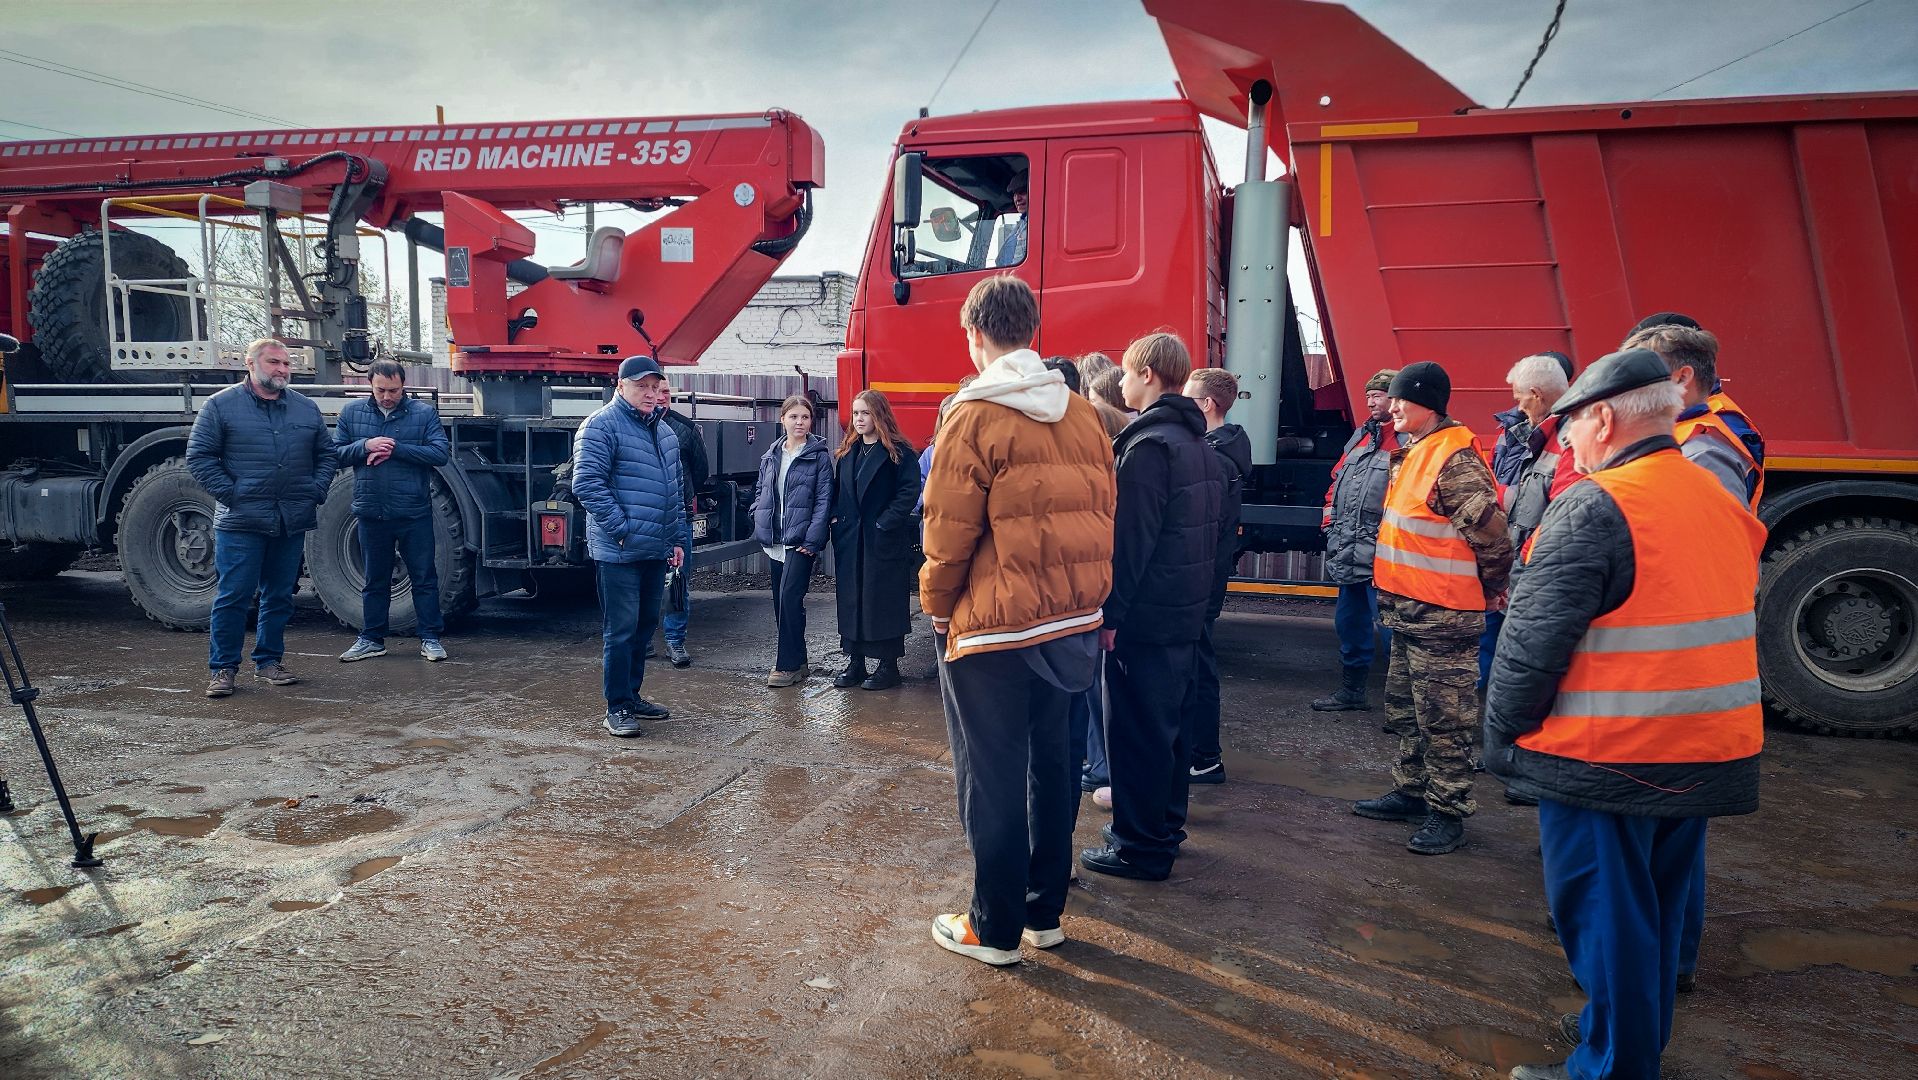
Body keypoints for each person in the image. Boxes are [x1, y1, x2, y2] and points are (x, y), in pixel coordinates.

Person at [1490, 348, 1766, 1080]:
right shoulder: (1715, 495)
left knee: (1608, 924)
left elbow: (1529, 645)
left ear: (1604, 418)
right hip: (1703, 745)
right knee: (1655, 916)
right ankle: (1627, 1042)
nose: (1567, 439)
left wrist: (1502, 739)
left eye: (1572, 423)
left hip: (1609, 754)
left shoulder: (1597, 503)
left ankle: (1612, 1067)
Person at [921, 273, 1115, 965]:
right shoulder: (1083, 413)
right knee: (1054, 770)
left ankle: (992, 928)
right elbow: (1103, 516)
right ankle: (1043, 913)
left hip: (996, 628)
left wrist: (938, 609)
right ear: (1030, 330)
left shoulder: (971, 414)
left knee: (991, 774)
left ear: (974, 334)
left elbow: (947, 532)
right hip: (1070, 620)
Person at [1352, 361, 1511, 856]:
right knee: (1406, 709)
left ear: (1431, 404)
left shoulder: (1453, 459)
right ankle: (1412, 791)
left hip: (1444, 615)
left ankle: (1448, 811)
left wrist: (1492, 588)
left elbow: (1492, 535)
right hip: (1410, 610)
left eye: (1403, 399)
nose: (1392, 406)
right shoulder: (1419, 450)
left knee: (1446, 718)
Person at [1080, 332, 1223, 882]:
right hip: (1183, 616)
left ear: (1146, 375)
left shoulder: (1147, 449)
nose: (1119, 381)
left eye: (1125, 371)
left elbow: (1130, 544)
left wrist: (1110, 617)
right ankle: (1165, 828)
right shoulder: (1195, 444)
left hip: (1144, 621)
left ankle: (1139, 846)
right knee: (1171, 729)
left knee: (1137, 733)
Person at [187, 337, 336, 698]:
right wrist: (234, 495)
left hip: (290, 519)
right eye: (274, 363)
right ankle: (222, 669)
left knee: (281, 595)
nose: (283, 370)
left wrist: (314, 491)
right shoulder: (220, 406)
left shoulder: (305, 408)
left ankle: (269, 662)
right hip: (242, 521)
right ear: (250, 365)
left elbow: (326, 455)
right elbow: (199, 457)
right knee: (234, 596)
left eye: (286, 364)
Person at [572, 355, 689, 738]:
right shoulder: (600, 426)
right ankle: (616, 707)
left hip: (655, 549)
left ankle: (632, 696)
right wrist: (622, 531)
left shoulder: (665, 432)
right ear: (620, 385)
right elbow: (587, 484)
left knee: (643, 628)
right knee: (620, 631)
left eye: (656, 387)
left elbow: (674, 491)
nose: (650, 394)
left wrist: (673, 538)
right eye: (642, 386)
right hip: (619, 551)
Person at [334, 359, 452, 664]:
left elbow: (440, 453)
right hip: (371, 510)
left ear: (404, 386)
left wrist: (395, 448)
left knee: (424, 576)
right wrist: (366, 446)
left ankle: (430, 638)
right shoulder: (351, 413)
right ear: (370, 385)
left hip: (413, 511)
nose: (387, 396)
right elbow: (333, 454)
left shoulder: (424, 414)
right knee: (375, 578)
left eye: (394, 390)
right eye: (381, 390)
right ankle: (371, 638)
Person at [1479, 353, 1572, 689]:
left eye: (1520, 398)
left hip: (1539, 577)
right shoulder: (1532, 435)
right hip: (1518, 569)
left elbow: (1561, 519)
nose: (1517, 407)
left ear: (1537, 395)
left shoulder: (1570, 444)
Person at [1312, 369, 1399, 712]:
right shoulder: (1361, 437)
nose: (1371, 402)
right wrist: (1331, 524)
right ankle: (1352, 692)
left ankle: (1402, 707)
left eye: (1378, 396)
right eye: (1369, 396)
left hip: (1385, 555)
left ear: (1397, 399)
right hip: (1351, 550)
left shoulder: (1410, 442)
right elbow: (1337, 481)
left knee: (1393, 630)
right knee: (1349, 623)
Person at [1181, 366, 1252, 785]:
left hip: (1201, 581)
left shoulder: (1215, 458)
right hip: (1207, 578)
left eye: (1188, 398)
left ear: (1207, 404)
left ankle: (1204, 756)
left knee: (1198, 667)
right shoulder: (1225, 450)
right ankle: (1202, 753)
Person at [831, 390, 922, 691]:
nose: (858, 419)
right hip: (851, 540)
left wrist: (885, 522)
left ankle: (887, 666)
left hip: (881, 540)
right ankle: (855, 661)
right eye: (856, 413)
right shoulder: (848, 451)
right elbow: (838, 493)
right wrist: (835, 521)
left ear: (879, 415)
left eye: (865, 413)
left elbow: (908, 492)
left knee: (882, 602)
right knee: (852, 599)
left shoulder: (898, 452)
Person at [1624, 322, 1764, 510]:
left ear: (1682, 378)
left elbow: (1715, 536)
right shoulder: (1685, 440)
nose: (1626, 386)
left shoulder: (1703, 456)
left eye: (1641, 375)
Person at [752, 395, 834, 688]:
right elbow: (761, 490)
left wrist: (813, 540)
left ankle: (785, 666)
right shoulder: (771, 455)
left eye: (805, 417)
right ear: (782, 419)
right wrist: (756, 516)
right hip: (774, 540)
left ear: (811, 421)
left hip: (801, 542)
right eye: (794, 417)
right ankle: (799, 660)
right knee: (782, 604)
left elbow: (824, 502)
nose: (800, 422)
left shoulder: (820, 457)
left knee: (789, 599)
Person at [656, 379, 710, 669]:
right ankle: (641, 643)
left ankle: (675, 642)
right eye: (656, 391)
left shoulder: (685, 429)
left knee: (677, 583)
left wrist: (685, 495)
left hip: (678, 519)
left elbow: (701, 471)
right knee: (642, 583)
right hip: (644, 521)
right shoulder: (630, 427)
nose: (661, 397)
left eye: (666, 392)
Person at [993, 171, 1029, 268]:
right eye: (1014, 194)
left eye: (1022, 192)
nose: (1017, 198)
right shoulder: (1021, 226)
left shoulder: (1037, 226)